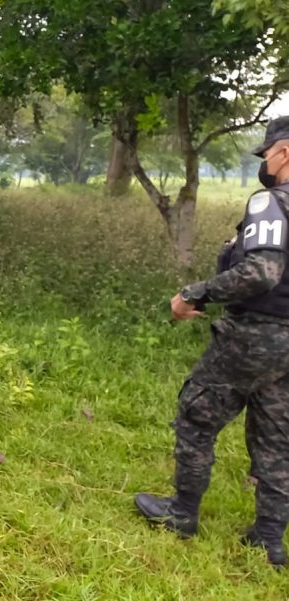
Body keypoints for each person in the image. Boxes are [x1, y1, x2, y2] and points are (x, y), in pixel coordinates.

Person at [135, 116, 289, 567]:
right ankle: (268, 541)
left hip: (254, 338)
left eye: (267, 154)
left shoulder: (270, 204)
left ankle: (182, 513)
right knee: (277, 440)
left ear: (285, 152)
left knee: (197, 417)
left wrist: (193, 293)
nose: (264, 163)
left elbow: (260, 272)